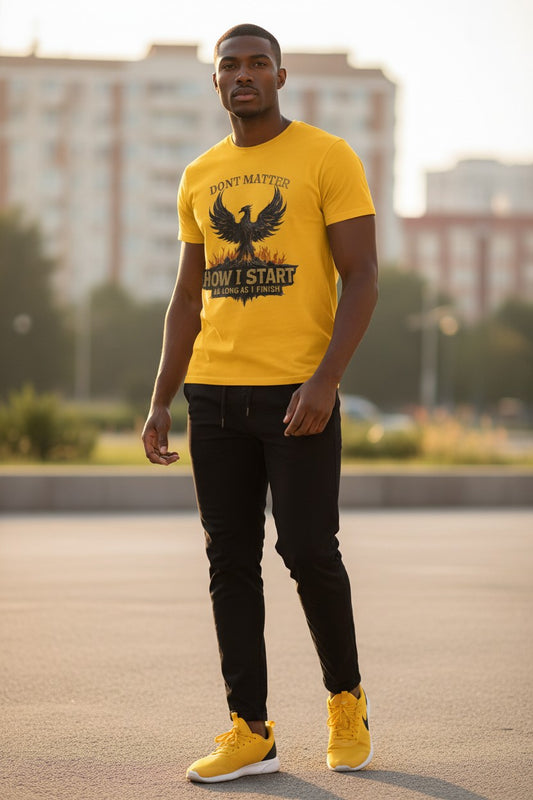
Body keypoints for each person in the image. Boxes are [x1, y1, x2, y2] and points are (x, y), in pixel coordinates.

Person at [142, 23, 378, 784]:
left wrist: (326, 380)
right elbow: (186, 296)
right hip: (214, 397)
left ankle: (345, 702)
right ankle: (250, 729)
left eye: (256, 65)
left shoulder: (325, 156)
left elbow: (363, 278)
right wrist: (160, 400)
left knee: (309, 552)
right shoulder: (200, 174)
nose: (242, 76)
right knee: (229, 563)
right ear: (216, 83)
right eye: (229, 66)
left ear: (279, 76)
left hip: (295, 395)